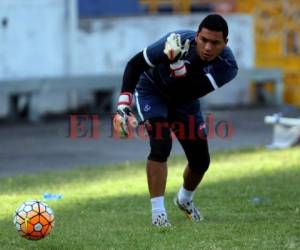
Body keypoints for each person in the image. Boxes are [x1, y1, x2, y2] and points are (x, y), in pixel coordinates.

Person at [113, 14, 238, 227]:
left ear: (225, 43)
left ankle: (184, 199)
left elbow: (189, 89)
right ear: (197, 36)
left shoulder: (227, 65)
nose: (208, 47)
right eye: (204, 40)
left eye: (215, 43)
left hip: (185, 101)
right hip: (153, 91)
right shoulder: (177, 40)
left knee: (201, 161)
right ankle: (158, 214)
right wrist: (123, 105)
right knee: (161, 144)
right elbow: (134, 65)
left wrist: (176, 64)